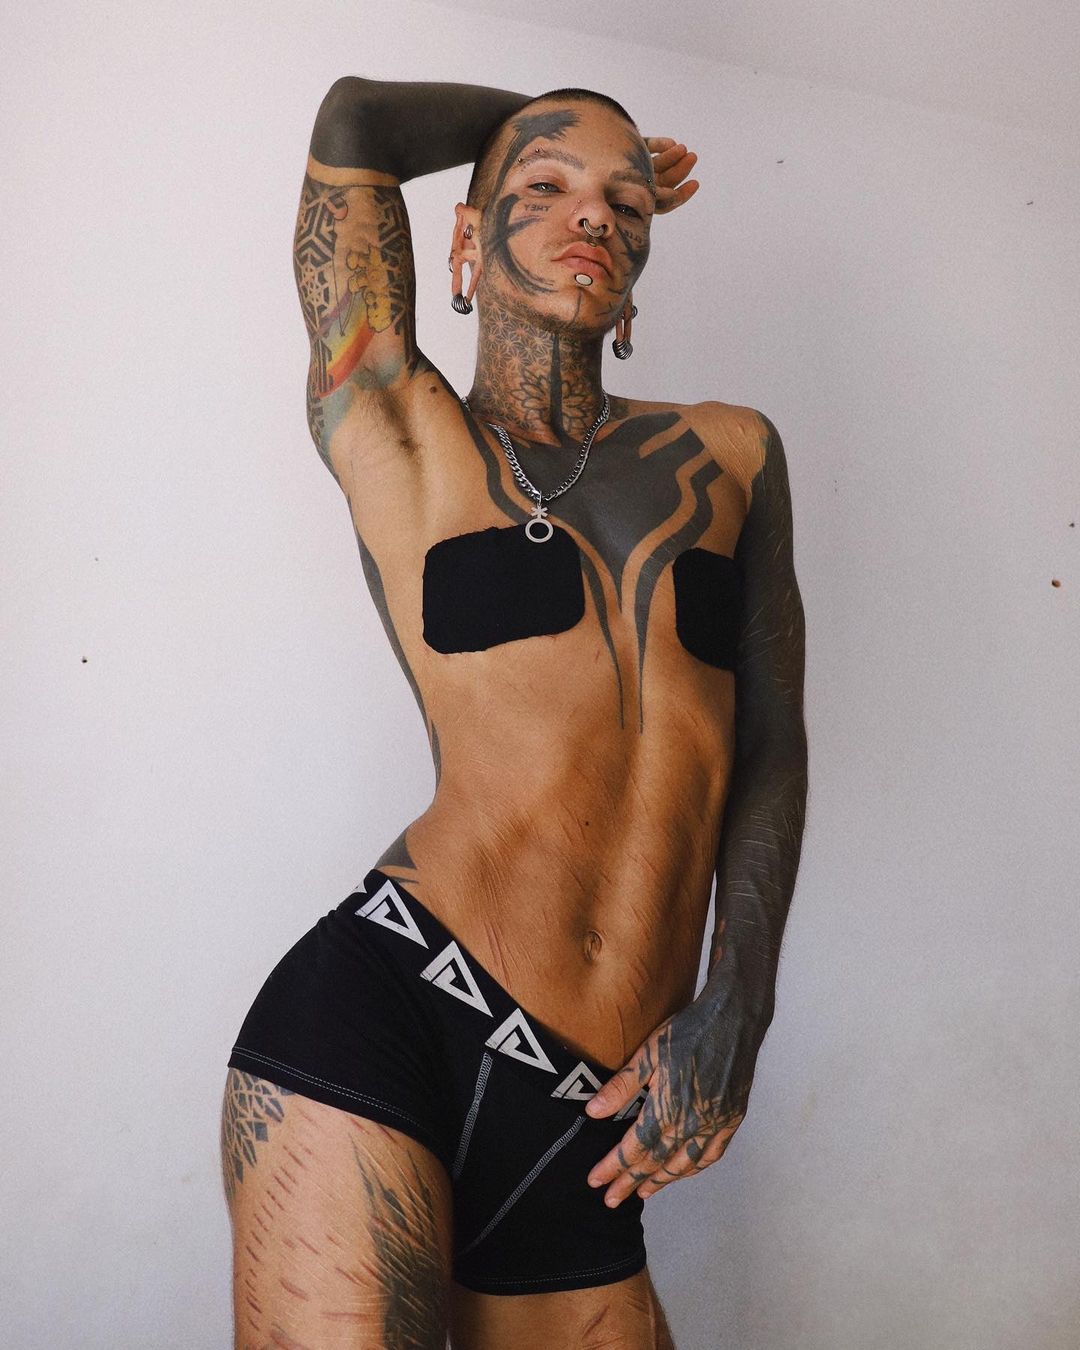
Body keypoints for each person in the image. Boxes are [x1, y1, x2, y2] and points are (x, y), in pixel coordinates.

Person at [220, 74, 808, 1350]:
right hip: (388, 1017)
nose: (592, 214)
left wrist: (740, 1004)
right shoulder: (402, 429)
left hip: (587, 1109)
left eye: (624, 203)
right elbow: (355, 123)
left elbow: (769, 740)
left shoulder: (733, 456)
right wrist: (565, 123)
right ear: (467, 240)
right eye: (544, 189)